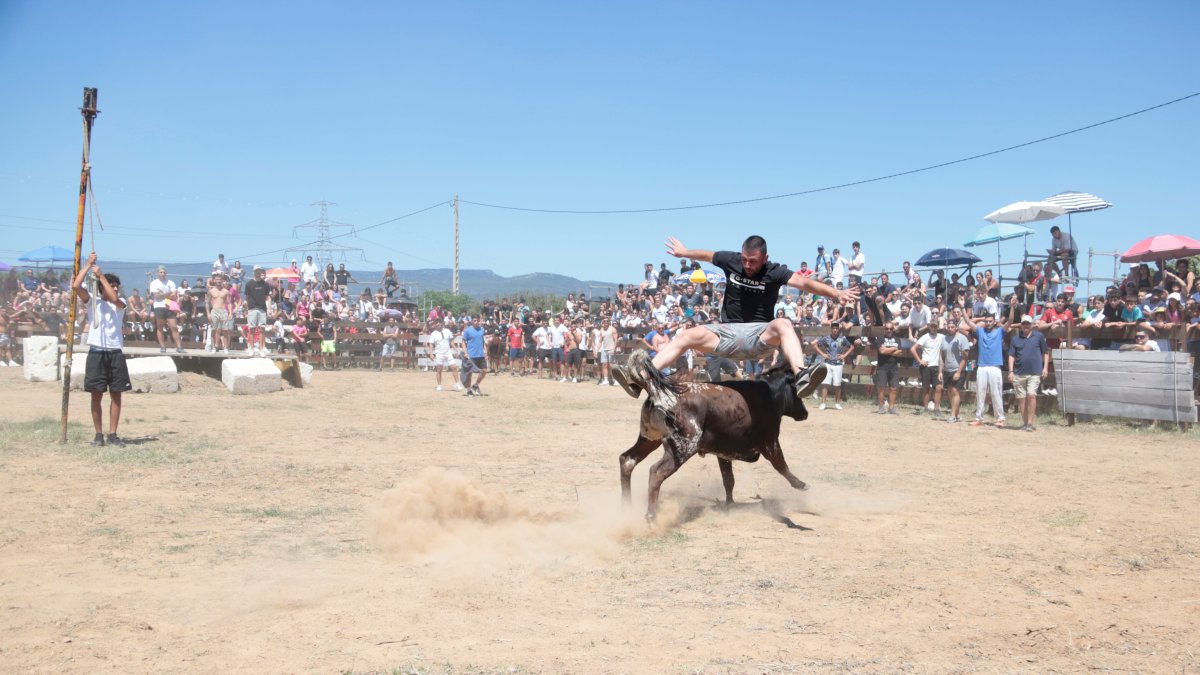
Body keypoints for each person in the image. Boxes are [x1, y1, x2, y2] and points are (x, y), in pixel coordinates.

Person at [614, 235, 858, 400]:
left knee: (784, 323)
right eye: (744, 260)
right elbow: (707, 255)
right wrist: (684, 252)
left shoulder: (775, 272)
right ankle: (639, 380)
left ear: (765, 258)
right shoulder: (731, 260)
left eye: (753, 261)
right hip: (726, 333)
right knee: (687, 335)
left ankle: (802, 376)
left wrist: (836, 293)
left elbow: (804, 283)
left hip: (758, 336)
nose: (747, 265)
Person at [73, 252, 132, 448]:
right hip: (97, 352)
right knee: (96, 394)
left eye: (116, 286)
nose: (114, 288)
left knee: (116, 394)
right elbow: (76, 286)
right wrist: (88, 265)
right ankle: (98, 434)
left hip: (114, 351)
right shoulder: (93, 302)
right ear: (100, 288)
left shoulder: (120, 305)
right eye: (111, 285)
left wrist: (101, 276)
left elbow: (114, 298)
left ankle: (113, 434)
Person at [962, 302, 1013, 428]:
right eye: (987, 321)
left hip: (995, 366)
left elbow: (1010, 321)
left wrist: (1012, 306)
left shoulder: (1000, 332)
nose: (988, 323)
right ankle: (979, 418)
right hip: (982, 366)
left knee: (996, 393)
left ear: (994, 322)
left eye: (990, 321)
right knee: (980, 393)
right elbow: (968, 322)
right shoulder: (980, 332)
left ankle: (1000, 418)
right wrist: (963, 307)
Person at [1007, 315, 1050, 432]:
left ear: (1031, 325)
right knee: (1022, 399)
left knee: (1031, 395)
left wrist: (1045, 367)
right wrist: (1011, 371)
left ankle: (1030, 423)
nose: (1025, 326)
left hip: (1035, 372)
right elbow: (1011, 355)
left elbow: (1046, 352)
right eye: (1023, 323)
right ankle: (1025, 423)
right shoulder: (1015, 339)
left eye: (1027, 323)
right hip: (1019, 372)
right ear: (1021, 325)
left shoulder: (1039, 336)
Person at [813, 321, 853, 411]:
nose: (835, 330)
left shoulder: (842, 338)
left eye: (836, 328)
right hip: (828, 363)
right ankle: (823, 403)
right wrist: (823, 354)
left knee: (837, 384)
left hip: (838, 364)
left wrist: (844, 355)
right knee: (825, 383)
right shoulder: (826, 338)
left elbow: (851, 347)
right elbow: (815, 346)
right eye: (833, 328)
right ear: (831, 329)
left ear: (838, 329)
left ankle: (837, 403)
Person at [910, 321, 945, 418]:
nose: (933, 328)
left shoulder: (941, 337)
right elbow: (913, 349)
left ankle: (936, 409)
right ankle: (926, 408)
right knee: (926, 388)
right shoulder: (925, 337)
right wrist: (919, 360)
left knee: (939, 387)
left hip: (936, 366)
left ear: (937, 327)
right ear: (929, 327)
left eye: (935, 326)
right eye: (932, 326)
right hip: (926, 366)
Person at [940, 318, 971, 423]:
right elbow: (942, 356)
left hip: (958, 369)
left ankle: (952, 415)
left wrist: (958, 372)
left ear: (956, 327)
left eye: (952, 327)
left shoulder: (962, 338)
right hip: (947, 369)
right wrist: (940, 371)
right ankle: (956, 415)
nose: (950, 329)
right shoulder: (944, 338)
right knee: (949, 391)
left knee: (955, 391)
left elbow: (965, 357)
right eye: (948, 327)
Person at [148, 266, 185, 354]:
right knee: (160, 327)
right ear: (157, 273)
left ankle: (179, 347)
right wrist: (168, 293)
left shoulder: (171, 282)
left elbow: (174, 295)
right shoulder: (154, 283)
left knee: (174, 327)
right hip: (159, 306)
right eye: (161, 272)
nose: (162, 274)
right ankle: (162, 346)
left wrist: (162, 294)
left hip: (170, 306)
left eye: (164, 272)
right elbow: (156, 296)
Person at [872, 321, 904, 415]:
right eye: (887, 328)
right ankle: (881, 407)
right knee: (881, 387)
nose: (889, 330)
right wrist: (894, 349)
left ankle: (891, 407)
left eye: (890, 328)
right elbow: (881, 351)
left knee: (893, 388)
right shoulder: (880, 339)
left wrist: (887, 350)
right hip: (882, 366)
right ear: (884, 329)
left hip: (894, 367)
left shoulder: (897, 339)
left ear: (893, 329)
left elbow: (900, 353)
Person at [243, 266, 271, 356]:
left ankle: (261, 349)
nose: (258, 272)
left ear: (261, 272)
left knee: (262, 329)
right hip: (252, 309)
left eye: (259, 271)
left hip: (262, 309)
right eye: (256, 271)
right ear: (253, 272)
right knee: (251, 329)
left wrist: (269, 308)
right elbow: (247, 297)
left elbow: (267, 297)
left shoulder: (265, 284)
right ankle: (251, 349)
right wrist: (249, 308)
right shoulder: (249, 284)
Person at [428, 319, 461, 390]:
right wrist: (431, 354)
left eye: (440, 322)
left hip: (448, 352)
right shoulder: (433, 333)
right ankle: (439, 385)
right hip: (439, 353)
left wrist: (456, 350)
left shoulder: (447, 331)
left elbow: (451, 342)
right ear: (435, 324)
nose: (438, 324)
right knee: (439, 369)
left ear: (442, 323)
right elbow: (431, 344)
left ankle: (457, 384)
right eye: (437, 322)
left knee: (454, 367)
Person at [206, 275, 233, 354]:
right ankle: (214, 347)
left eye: (220, 279)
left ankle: (226, 347)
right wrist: (208, 313)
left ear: (222, 280)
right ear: (214, 280)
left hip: (223, 311)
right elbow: (207, 303)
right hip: (214, 311)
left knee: (225, 330)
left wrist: (230, 312)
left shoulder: (226, 291)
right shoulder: (211, 291)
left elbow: (229, 303)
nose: (218, 281)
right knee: (214, 330)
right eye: (217, 279)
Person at [462, 315, 488, 395]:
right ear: (472, 321)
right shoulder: (467, 330)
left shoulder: (482, 329)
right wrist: (465, 352)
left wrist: (485, 351)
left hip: (480, 354)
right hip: (471, 355)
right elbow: (463, 342)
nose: (476, 322)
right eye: (474, 320)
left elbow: (483, 341)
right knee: (469, 373)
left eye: (477, 320)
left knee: (484, 370)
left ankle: (476, 385)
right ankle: (468, 390)